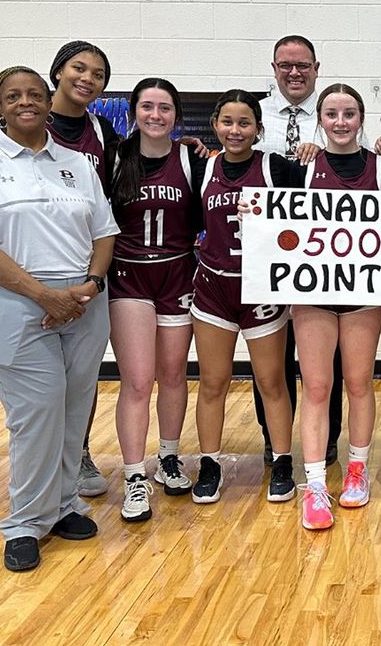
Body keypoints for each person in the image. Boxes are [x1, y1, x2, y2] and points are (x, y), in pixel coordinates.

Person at [0, 66, 118, 572]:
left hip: (84, 301)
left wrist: (90, 286)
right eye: (13, 96)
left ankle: (65, 503)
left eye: (34, 95)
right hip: (11, 303)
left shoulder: (77, 163)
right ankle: (25, 522)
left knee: (75, 405)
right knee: (38, 410)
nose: (25, 102)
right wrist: (44, 296)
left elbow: (104, 231)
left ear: (49, 102)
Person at [190, 89, 299, 505]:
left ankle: (283, 460)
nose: (235, 131)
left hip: (261, 289)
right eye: (228, 122)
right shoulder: (202, 166)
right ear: (216, 125)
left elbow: (326, 200)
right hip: (215, 286)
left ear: (258, 128)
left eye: (245, 123)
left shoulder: (277, 167)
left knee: (272, 382)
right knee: (213, 382)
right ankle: (211, 463)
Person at [293, 84, 381, 529]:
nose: (340, 121)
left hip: (363, 294)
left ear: (361, 118)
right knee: (316, 388)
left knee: (358, 383)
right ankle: (315, 482)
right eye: (331, 113)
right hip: (312, 292)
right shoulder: (301, 165)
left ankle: (358, 468)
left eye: (349, 113)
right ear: (319, 118)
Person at [109, 79, 207, 523]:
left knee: (172, 374)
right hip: (129, 276)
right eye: (146, 107)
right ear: (133, 112)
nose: (155, 115)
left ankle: (169, 456)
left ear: (176, 115)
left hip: (177, 272)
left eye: (164, 107)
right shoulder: (115, 157)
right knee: (137, 380)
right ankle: (133, 475)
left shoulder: (191, 159)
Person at [256, 35, 344, 468]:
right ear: (273, 68)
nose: (294, 72)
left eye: (303, 65)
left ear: (316, 67)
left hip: (325, 256)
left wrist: (324, 151)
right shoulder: (257, 114)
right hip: (272, 253)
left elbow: (356, 162)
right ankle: (276, 442)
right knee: (272, 354)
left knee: (326, 358)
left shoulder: (334, 113)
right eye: (285, 65)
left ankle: (326, 441)